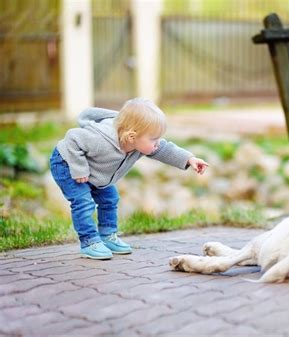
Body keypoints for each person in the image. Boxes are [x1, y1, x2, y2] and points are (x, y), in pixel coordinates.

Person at [50, 98, 208, 260]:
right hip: (67, 164)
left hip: (94, 171)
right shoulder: (101, 139)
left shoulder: (139, 144)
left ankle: (107, 236)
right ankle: (89, 241)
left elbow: (165, 149)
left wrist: (190, 159)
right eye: (153, 139)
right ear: (132, 137)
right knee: (84, 202)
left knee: (110, 198)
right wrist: (79, 169)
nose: (157, 143)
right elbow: (72, 139)